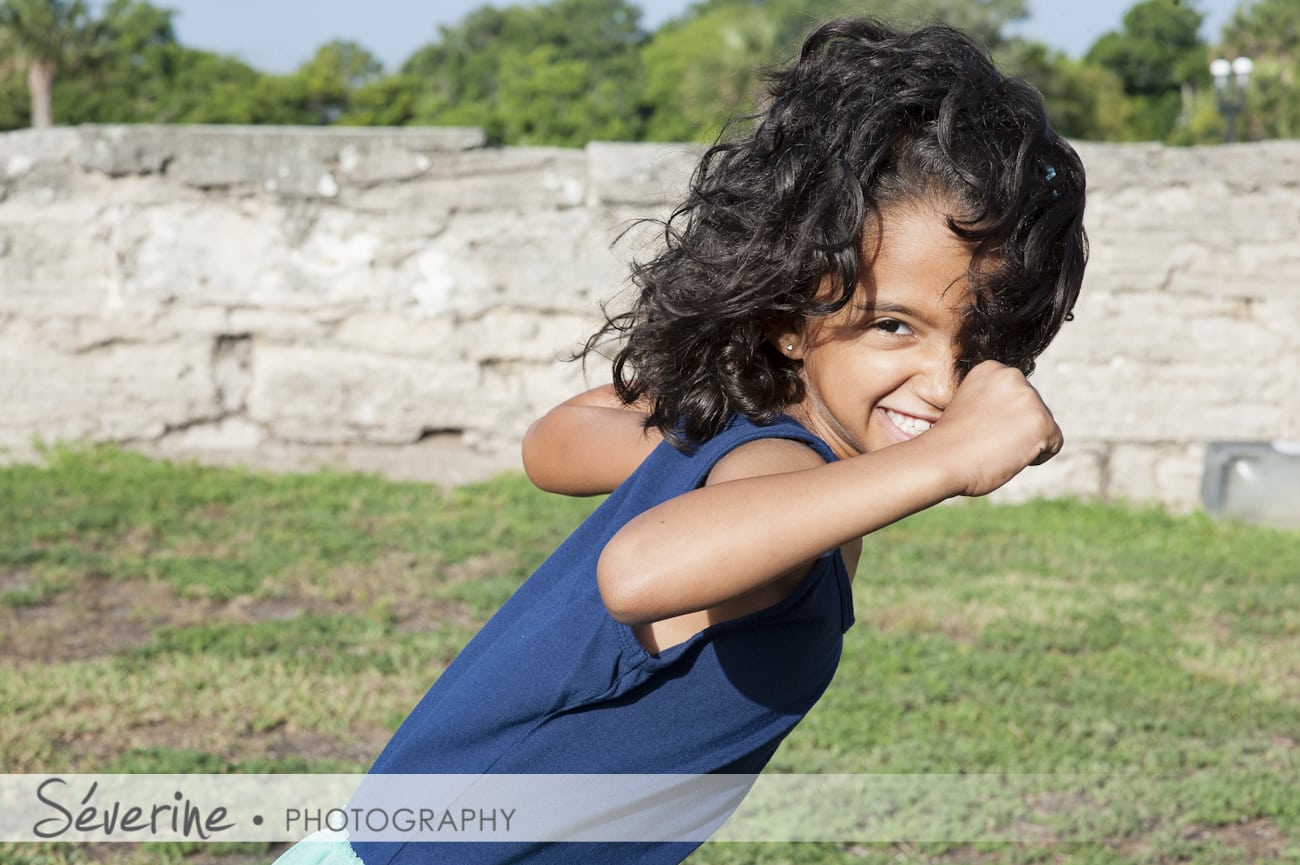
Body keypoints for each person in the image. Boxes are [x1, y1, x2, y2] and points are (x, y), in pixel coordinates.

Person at [274, 15, 1086, 865]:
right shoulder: (774, 461)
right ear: (789, 315)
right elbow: (638, 573)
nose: (943, 381)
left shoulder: (745, 437)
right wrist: (945, 459)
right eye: (891, 324)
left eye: (981, 342)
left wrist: (690, 411)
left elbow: (557, 440)